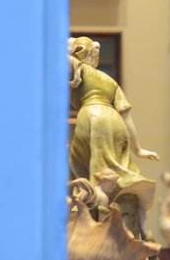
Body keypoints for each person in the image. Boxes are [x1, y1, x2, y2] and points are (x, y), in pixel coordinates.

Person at [68, 37, 158, 238]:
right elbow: (127, 117)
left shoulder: (79, 66)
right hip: (115, 121)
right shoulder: (110, 82)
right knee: (112, 168)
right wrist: (138, 149)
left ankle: (95, 226)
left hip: (93, 117)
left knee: (85, 169)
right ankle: (135, 227)